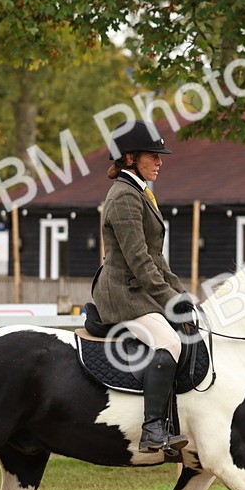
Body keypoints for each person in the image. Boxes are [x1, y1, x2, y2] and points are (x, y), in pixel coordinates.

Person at [92, 120, 191, 453]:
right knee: (169, 342)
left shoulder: (141, 193)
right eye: (153, 155)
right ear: (130, 158)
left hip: (139, 287)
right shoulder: (123, 198)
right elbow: (139, 263)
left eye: (160, 156)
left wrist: (182, 296)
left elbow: (157, 260)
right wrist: (169, 302)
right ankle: (152, 430)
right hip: (122, 292)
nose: (160, 162)